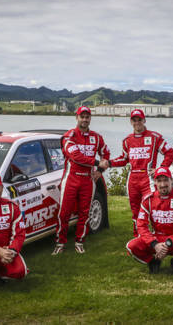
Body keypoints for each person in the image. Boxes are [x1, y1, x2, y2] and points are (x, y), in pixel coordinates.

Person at [53, 106, 110, 255]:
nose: (84, 119)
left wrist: (100, 171)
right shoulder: (69, 136)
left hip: (88, 180)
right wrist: (98, 163)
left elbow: (106, 153)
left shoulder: (96, 137)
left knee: (85, 213)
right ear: (76, 117)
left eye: (87, 117)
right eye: (82, 116)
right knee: (63, 213)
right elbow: (76, 157)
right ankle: (60, 242)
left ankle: (79, 241)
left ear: (90, 118)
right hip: (71, 178)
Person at [110, 109, 173, 236]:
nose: (137, 122)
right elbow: (123, 160)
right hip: (132, 178)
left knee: (152, 208)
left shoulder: (155, 137)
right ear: (131, 122)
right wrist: (109, 163)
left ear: (144, 120)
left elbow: (170, 153)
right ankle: (138, 236)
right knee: (135, 211)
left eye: (139, 119)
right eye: (134, 120)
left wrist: (160, 169)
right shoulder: (127, 141)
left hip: (148, 178)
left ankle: (156, 237)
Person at [126, 167, 173, 275]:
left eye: (166, 180)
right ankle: (153, 262)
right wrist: (154, 244)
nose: (163, 184)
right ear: (155, 182)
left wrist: (167, 243)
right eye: (159, 181)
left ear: (171, 180)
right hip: (156, 238)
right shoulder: (148, 200)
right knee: (131, 246)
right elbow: (141, 226)